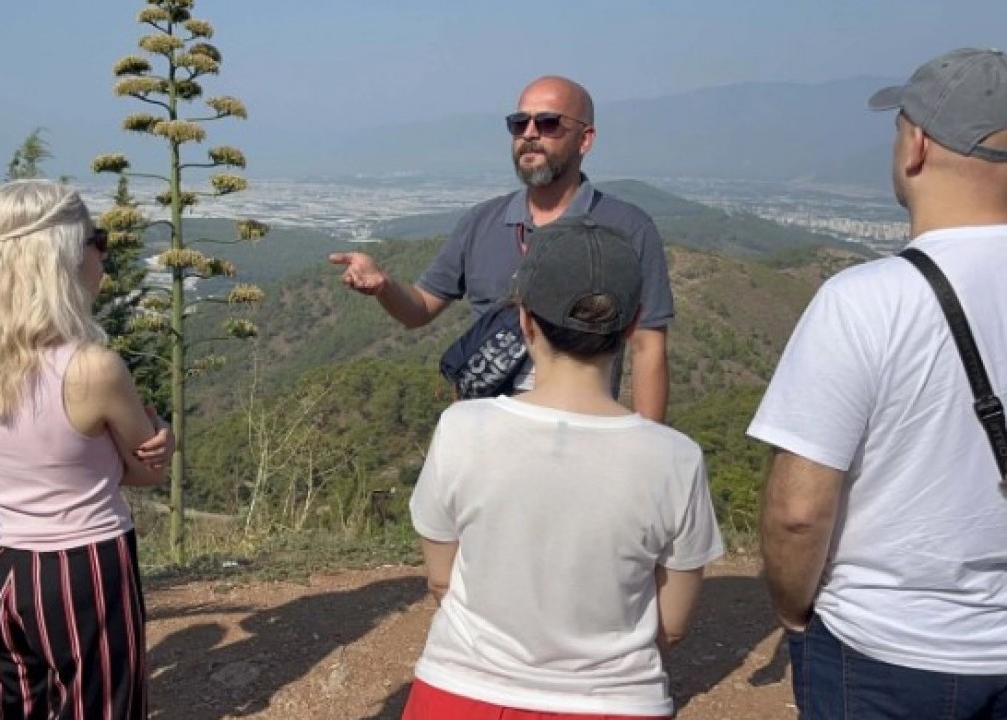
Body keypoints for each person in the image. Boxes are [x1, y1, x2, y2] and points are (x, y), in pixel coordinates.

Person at [749, 48, 1007, 718]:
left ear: (916, 144)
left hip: (884, 653)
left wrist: (793, 613)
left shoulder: (865, 300)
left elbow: (798, 511)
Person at [403, 217, 723, 719]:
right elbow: (673, 623)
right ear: (634, 322)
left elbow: (442, 580)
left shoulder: (462, 427)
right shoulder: (676, 458)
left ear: (525, 321)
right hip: (616, 702)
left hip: (459, 692)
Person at [0, 180, 168, 719]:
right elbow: (144, 472)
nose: (103, 254)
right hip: (83, 563)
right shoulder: (92, 368)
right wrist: (164, 440)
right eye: (98, 239)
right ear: (64, 255)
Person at [330, 76, 674, 420]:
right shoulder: (481, 223)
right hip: (486, 439)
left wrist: (649, 450)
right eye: (519, 123)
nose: (529, 134)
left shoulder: (628, 229)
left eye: (548, 123)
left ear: (585, 139)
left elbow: (648, 347)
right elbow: (419, 310)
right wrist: (384, 286)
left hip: (580, 435)